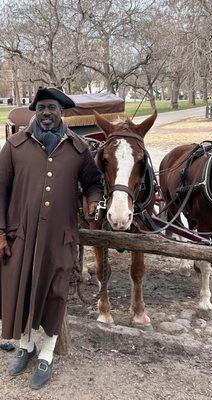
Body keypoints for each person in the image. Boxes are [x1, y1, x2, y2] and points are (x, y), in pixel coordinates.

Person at [0, 87, 103, 389]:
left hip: (60, 236)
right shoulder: (14, 147)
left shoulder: (79, 149)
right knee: (24, 288)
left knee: (55, 292)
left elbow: (94, 182)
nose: (47, 113)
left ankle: (46, 353)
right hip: (22, 236)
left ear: (62, 113)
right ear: (35, 111)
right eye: (41, 108)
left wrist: (93, 199)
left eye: (52, 108)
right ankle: (26, 347)